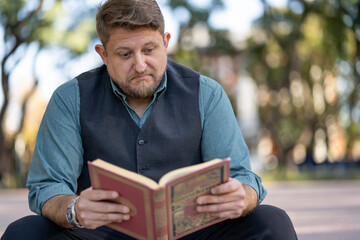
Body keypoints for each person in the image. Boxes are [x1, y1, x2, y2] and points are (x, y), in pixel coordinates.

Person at [2, 0, 298, 239]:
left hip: (194, 232)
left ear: (166, 42)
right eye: (125, 54)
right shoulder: (70, 98)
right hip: (103, 234)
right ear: (103, 54)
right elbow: (48, 186)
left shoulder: (206, 93)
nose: (140, 65)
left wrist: (242, 197)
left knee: (272, 222)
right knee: (24, 233)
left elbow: (244, 178)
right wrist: (74, 209)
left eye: (149, 49)